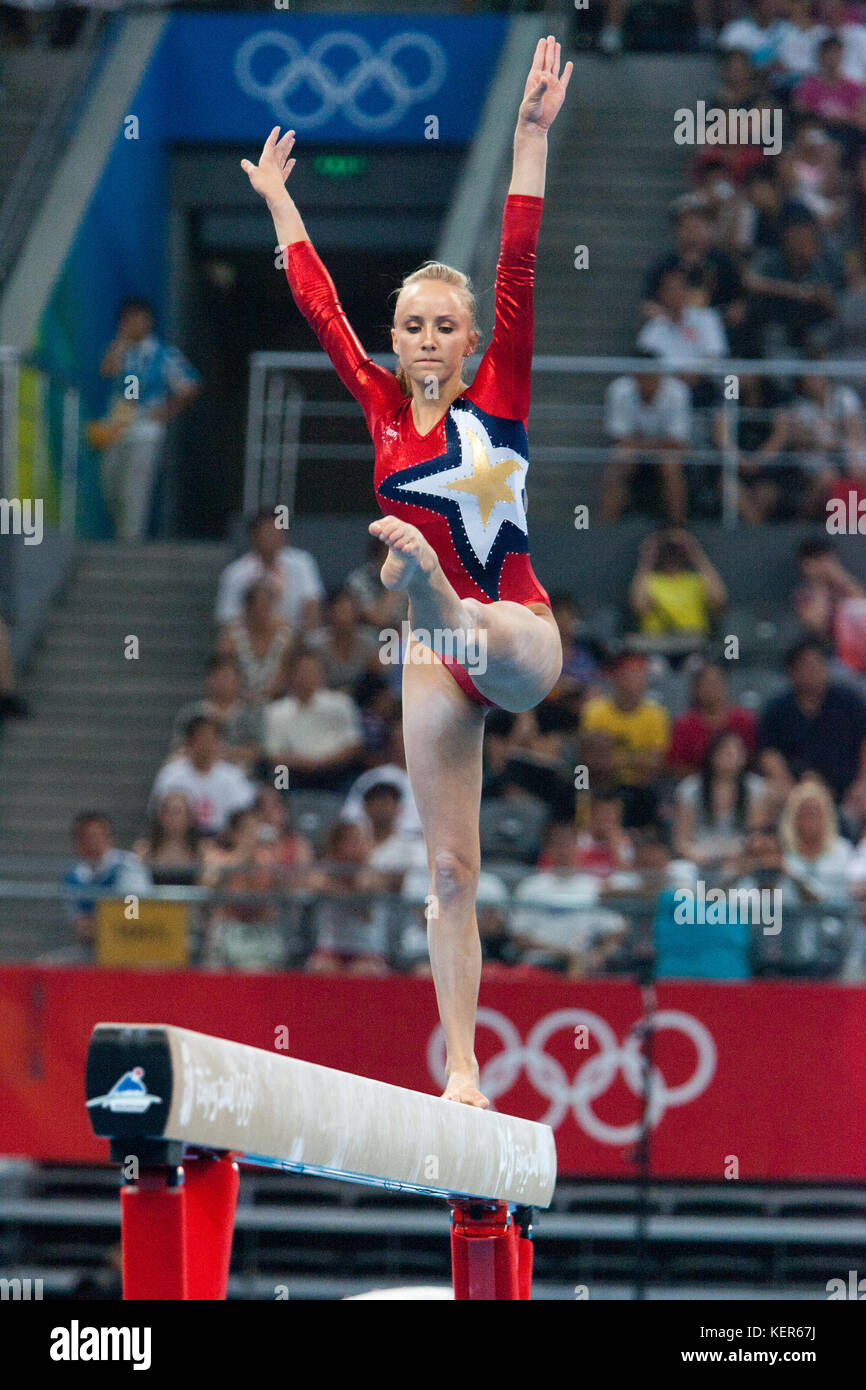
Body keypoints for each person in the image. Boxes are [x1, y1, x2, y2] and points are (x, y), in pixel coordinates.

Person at [241, 35, 571, 1105]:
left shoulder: (498, 401)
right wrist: (281, 202)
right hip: (434, 654)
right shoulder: (380, 406)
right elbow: (316, 307)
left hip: (510, 625)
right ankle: (465, 1067)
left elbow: (517, 260)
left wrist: (527, 138)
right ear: (396, 339)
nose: (426, 337)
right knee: (447, 873)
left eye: (444, 325)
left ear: (470, 339)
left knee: (486, 629)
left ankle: (429, 582)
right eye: (411, 326)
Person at [97, 297, 200, 540]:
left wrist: (168, 410)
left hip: (145, 427)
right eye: (129, 319)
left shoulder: (163, 354)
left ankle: (128, 544)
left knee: (135, 489)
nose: (135, 323)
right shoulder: (120, 350)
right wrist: (121, 340)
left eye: (139, 318)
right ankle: (121, 534)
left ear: (149, 321)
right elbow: (106, 371)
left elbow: (190, 385)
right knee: (110, 485)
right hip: (117, 425)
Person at [758, 637, 866, 801]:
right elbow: (769, 753)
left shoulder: (849, 702)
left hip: (846, 788)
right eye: (806, 666)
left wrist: (862, 783)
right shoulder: (777, 710)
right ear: (791, 672)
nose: (813, 671)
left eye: (817, 664)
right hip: (795, 788)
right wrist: (788, 785)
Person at [601, 350, 693, 524]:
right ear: (634, 376)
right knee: (619, 462)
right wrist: (656, 444)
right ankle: (607, 527)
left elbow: (679, 442)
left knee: (670, 464)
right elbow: (619, 438)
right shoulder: (619, 390)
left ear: (659, 373)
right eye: (642, 376)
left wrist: (640, 444)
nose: (648, 380)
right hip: (637, 452)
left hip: (664, 453)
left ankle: (678, 527)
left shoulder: (678, 391)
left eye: (651, 375)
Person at [581, 652, 670, 826]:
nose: (634, 681)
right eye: (628, 675)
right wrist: (636, 760)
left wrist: (612, 759)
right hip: (601, 785)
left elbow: (655, 764)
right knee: (580, 784)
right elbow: (590, 761)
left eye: (639, 675)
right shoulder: (595, 711)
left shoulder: (656, 714)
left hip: (641, 788)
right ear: (616, 678)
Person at [262, 647, 365, 792]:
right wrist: (306, 763)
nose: (307, 676)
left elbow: (353, 744)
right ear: (291, 674)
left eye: (312, 670)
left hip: (334, 770)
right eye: (302, 671)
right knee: (278, 776)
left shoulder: (341, 703)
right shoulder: (276, 711)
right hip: (295, 771)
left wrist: (324, 762)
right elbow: (273, 754)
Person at [56, 812, 152, 964]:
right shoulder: (73, 878)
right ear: (76, 843)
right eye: (84, 838)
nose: (91, 843)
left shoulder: (128, 867)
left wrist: (103, 924)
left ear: (108, 838)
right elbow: (80, 925)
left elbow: (134, 913)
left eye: (96, 836)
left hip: (133, 947)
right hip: (92, 950)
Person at [214, 508, 324, 634]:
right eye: (268, 532)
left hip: (294, 638)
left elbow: (312, 602)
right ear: (253, 536)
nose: (274, 536)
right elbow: (227, 618)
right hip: (252, 638)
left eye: (278, 531)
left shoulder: (302, 562)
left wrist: (306, 636)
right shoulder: (235, 573)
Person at [673, 728, 768, 869]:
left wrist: (737, 855)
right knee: (678, 870)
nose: (731, 755)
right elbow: (681, 840)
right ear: (712, 755)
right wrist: (694, 855)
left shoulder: (756, 788)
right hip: (698, 856)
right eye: (725, 751)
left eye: (736, 751)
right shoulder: (689, 789)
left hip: (739, 857)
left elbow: (756, 836)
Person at [150, 714, 256, 835]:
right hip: (183, 841)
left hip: (223, 840)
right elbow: (158, 814)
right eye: (202, 739)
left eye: (211, 740)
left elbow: (244, 815)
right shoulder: (171, 775)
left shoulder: (233, 777)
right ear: (189, 742)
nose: (206, 746)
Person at [628, 528, 727, 652]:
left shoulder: (696, 580)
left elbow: (719, 601)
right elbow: (638, 606)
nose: (672, 552)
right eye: (667, 548)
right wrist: (647, 557)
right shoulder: (649, 581)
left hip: (693, 645)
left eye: (676, 548)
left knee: (708, 669)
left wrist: (695, 552)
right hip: (656, 647)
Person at [170, 653, 263, 771]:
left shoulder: (250, 715)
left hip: (240, 775)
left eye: (227, 677)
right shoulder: (191, 713)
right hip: (198, 771)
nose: (222, 682)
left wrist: (222, 753)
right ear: (208, 680)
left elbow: (257, 752)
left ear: (239, 681)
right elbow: (179, 748)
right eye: (216, 677)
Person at [667, 660, 758, 777]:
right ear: (695, 689)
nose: (711, 688)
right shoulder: (684, 725)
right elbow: (676, 766)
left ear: (725, 685)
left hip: (740, 781)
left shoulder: (743, 719)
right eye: (706, 684)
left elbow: (753, 757)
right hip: (698, 784)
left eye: (715, 683)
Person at [216, 579, 294, 705]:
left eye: (266, 607)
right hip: (239, 700)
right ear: (247, 608)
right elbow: (224, 669)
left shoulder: (285, 634)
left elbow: (288, 669)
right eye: (258, 608)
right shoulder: (231, 636)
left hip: (279, 700)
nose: (262, 614)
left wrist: (270, 692)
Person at [133, 791, 202, 884]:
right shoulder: (144, 849)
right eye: (167, 812)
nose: (172, 818)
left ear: (190, 817)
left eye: (177, 812)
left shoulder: (203, 850)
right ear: (159, 816)